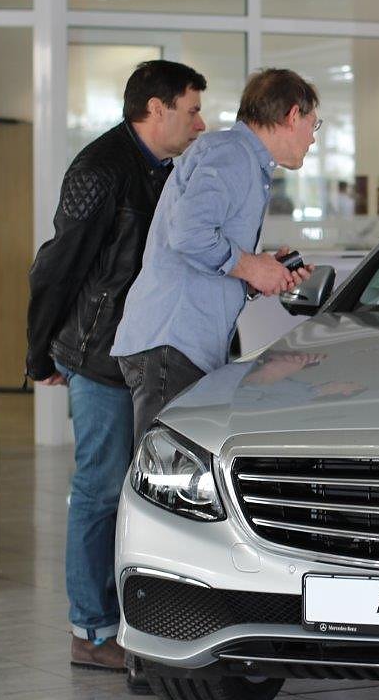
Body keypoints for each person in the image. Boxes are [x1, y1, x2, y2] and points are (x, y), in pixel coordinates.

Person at [26, 60, 207, 671]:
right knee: (100, 489)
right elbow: (57, 267)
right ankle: (92, 631)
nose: (200, 124)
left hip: (147, 352)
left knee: (146, 491)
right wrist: (41, 353)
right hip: (100, 357)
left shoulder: (166, 172)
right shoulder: (101, 170)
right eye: (191, 110)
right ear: (156, 109)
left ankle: (138, 624)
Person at [112, 68, 319, 440]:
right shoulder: (233, 155)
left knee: (179, 465)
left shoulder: (241, 159)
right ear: (292, 116)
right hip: (172, 342)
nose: (313, 138)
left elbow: (205, 246)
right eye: (313, 125)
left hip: (181, 344)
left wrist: (263, 271)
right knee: (166, 467)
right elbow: (188, 234)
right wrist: (251, 267)